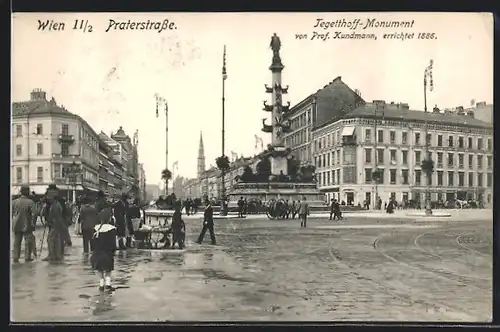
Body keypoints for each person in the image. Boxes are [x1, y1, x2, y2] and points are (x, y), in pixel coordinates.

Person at [91, 214, 117, 291]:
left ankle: (101, 285)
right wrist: (113, 251)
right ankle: (108, 284)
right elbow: (113, 243)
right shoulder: (111, 229)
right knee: (108, 269)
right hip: (107, 253)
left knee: (100, 269)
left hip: (97, 252)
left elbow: (92, 242)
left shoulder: (96, 228)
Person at [12, 186, 37, 263]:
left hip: (16, 224)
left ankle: (15, 257)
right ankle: (27, 257)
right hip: (27, 224)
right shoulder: (30, 202)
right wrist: (33, 223)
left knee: (16, 242)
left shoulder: (14, 202)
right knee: (28, 242)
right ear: (28, 192)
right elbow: (35, 213)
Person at [43, 185, 66, 262]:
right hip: (58, 223)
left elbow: (56, 215)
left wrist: (49, 221)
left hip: (54, 224)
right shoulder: (59, 200)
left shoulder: (54, 204)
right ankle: (58, 254)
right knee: (58, 239)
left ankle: (52, 255)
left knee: (50, 239)